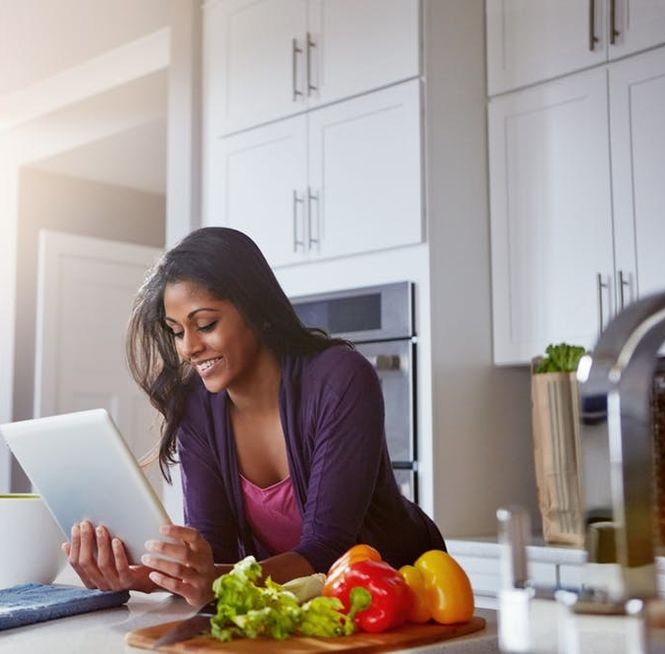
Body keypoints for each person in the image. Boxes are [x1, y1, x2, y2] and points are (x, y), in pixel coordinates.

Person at [61, 227, 445, 606]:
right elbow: (216, 552)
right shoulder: (196, 406)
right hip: (300, 605)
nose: (190, 348)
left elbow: (329, 549)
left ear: (255, 310)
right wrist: (151, 575)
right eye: (177, 332)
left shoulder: (340, 378)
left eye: (206, 324)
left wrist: (210, 579)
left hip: (400, 592)